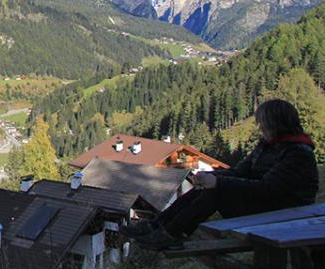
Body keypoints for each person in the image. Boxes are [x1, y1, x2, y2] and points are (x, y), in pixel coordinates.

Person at [122, 99, 319, 251]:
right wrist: (211, 177)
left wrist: (218, 183)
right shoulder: (267, 146)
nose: (260, 128)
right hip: (266, 203)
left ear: (277, 125)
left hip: (285, 211)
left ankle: (171, 235)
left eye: (263, 124)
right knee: (206, 187)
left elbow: (268, 188)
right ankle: (156, 226)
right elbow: (240, 172)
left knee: (215, 192)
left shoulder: (297, 154)